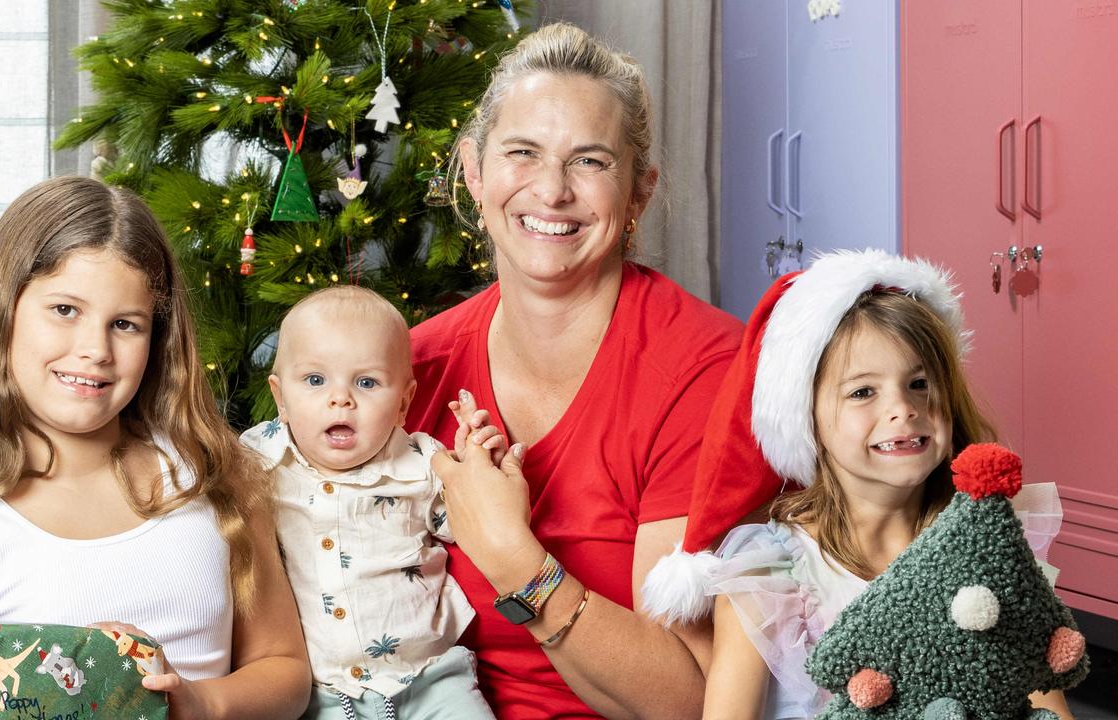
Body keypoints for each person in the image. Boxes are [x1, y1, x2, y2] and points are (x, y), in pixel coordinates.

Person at [405, 23, 777, 718]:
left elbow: (693, 699)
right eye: (522, 153)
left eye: (591, 162)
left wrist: (516, 559)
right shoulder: (412, 368)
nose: (551, 190)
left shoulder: (706, 372)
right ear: (474, 172)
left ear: (638, 193)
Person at [0, 176, 310, 720]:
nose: (95, 350)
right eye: (64, 310)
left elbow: (285, 670)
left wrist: (199, 702)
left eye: (126, 325)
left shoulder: (211, 479)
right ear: (2, 314)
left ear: (156, 339)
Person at [640, 249, 1075, 719]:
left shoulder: (985, 545)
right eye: (863, 392)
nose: (903, 408)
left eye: (920, 383)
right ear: (806, 420)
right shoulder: (771, 575)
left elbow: (1042, 699)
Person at [239, 286, 498, 719]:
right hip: (319, 693)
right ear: (281, 398)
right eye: (316, 380)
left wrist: (477, 471)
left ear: (403, 403)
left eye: (367, 382)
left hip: (429, 681)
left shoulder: (422, 462)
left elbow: (472, 526)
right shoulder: (259, 460)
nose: (341, 398)